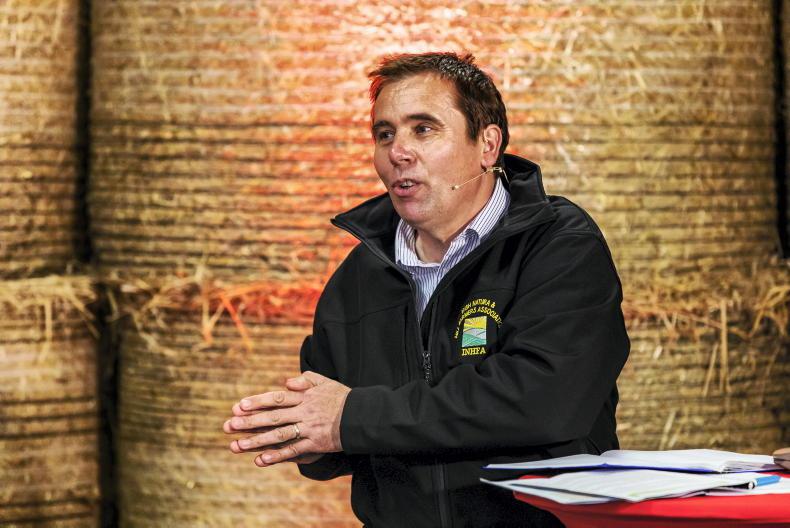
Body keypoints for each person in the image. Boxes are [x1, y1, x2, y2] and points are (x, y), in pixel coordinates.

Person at [223, 52, 630, 527]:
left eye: (423, 129)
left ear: (488, 145)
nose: (398, 152)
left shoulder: (559, 244)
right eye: (384, 134)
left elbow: (546, 400)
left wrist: (351, 418)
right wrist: (306, 437)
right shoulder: (359, 275)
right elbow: (342, 427)